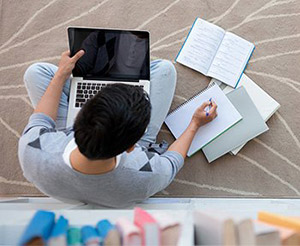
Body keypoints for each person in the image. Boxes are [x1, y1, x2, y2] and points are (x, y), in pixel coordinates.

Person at [18, 50, 217, 208]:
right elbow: (172, 161)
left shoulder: (32, 148)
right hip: (121, 156)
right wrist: (195, 124)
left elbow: (42, 118)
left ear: (80, 117)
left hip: (66, 150)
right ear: (132, 147)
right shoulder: (145, 174)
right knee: (165, 69)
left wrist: (62, 74)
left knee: (36, 72)